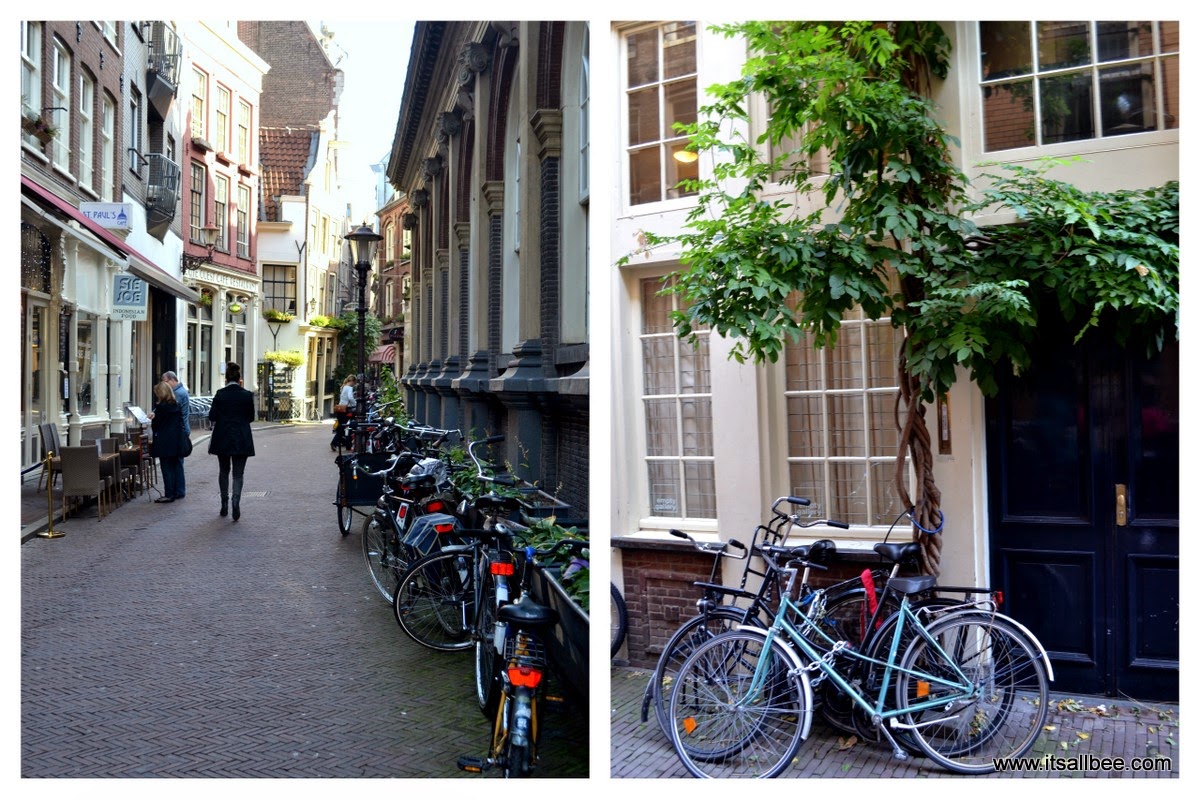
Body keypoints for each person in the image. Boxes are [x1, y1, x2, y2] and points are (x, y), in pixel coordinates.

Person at [208, 362, 256, 522]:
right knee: (238, 474)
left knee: (223, 471)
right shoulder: (247, 395)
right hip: (241, 437)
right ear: (239, 378)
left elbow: (212, 416)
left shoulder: (220, 394)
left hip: (223, 436)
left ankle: (224, 503)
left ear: (226, 379)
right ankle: (236, 500)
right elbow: (250, 417)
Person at [149, 381, 185, 503]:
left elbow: (156, 426)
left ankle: (169, 494)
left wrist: (153, 418)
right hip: (176, 441)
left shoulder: (161, 408)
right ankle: (176, 492)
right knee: (175, 467)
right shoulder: (177, 405)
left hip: (164, 442)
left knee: (166, 469)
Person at [162, 370, 190, 498]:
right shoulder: (180, 391)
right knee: (178, 462)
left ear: (172, 380)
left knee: (177, 462)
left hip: (179, 431)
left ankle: (179, 491)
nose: (165, 385)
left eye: (165, 382)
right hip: (181, 430)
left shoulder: (178, 393)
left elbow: (169, 407)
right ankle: (179, 490)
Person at [331, 374, 358, 451]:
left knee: (341, 427)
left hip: (340, 409)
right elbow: (350, 397)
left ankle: (346, 444)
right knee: (345, 427)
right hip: (345, 409)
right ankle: (335, 443)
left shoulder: (343, 387)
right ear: (352, 381)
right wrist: (355, 403)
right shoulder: (349, 388)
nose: (354, 385)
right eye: (354, 383)